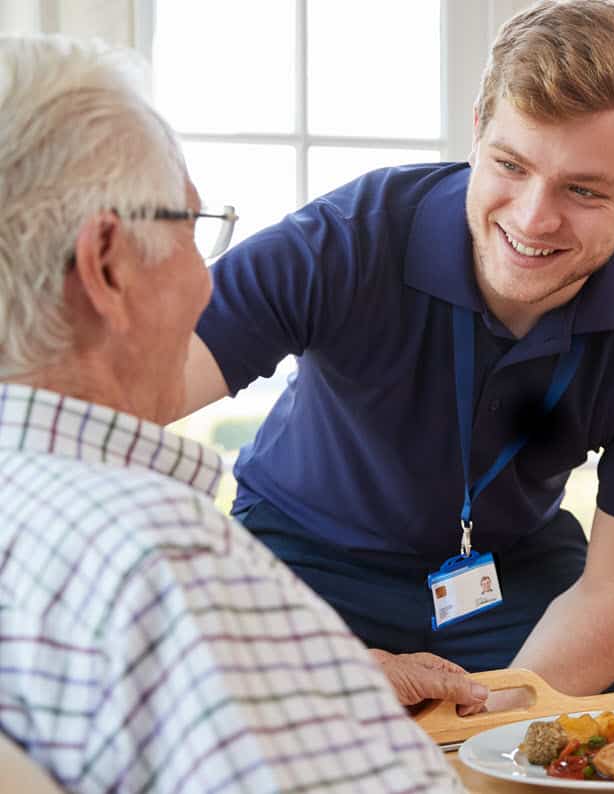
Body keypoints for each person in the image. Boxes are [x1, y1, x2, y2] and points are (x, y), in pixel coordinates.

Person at [184, 0, 614, 702]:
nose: (533, 219)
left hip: (511, 573)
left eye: (583, 190)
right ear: (478, 132)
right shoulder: (344, 241)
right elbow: (105, 394)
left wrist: (492, 720)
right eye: (510, 165)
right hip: (302, 556)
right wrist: (322, 675)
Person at [0, 34, 467, 793]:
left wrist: (320, 681)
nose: (209, 284)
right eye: (191, 229)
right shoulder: (164, 559)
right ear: (108, 263)